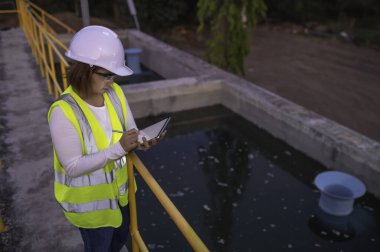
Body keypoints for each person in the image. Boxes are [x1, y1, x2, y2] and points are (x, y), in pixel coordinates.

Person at [48, 25, 160, 252]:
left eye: (114, 75)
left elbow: (131, 132)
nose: (112, 80)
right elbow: (72, 166)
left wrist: (142, 141)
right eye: (106, 74)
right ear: (84, 70)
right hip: (91, 207)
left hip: (122, 195)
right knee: (99, 247)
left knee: (120, 241)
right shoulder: (63, 111)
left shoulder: (115, 93)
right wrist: (119, 148)